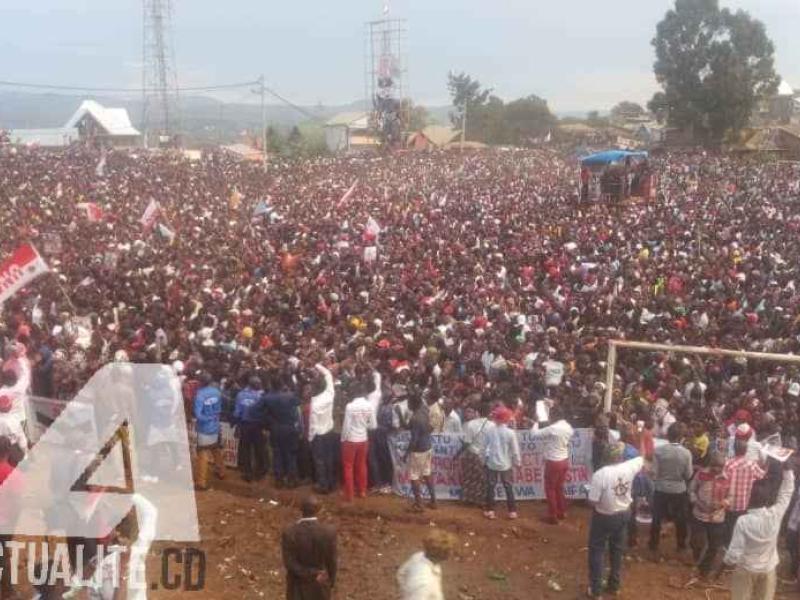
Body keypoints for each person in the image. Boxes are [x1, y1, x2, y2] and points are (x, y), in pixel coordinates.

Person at [723, 460, 795, 600]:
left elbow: (734, 553)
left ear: (750, 498)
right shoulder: (775, 514)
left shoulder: (743, 522)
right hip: (768, 568)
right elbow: (786, 492)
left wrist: (725, 563)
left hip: (746, 568)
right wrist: (788, 470)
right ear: (767, 500)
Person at [586, 441, 644, 599]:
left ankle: (596, 590)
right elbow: (642, 457)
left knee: (597, 551)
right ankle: (614, 586)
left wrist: (588, 494)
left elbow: (592, 501)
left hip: (603, 516)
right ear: (620, 457)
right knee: (617, 550)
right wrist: (642, 435)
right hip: (624, 514)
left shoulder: (600, 474)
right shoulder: (629, 467)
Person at [281, 495, 337, 600]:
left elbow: (289, 563)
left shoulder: (290, 532)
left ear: (301, 510)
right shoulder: (329, 532)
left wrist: (309, 574)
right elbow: (332, 561)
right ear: (318, 510)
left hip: (297, 585)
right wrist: (330, 581)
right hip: (320, 584)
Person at [649, 422, 693, 557]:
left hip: (661, 488)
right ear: (681, 437)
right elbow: (688, 474)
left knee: (656, 517)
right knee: (681, 519)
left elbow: (654, 472)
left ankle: (653, 544)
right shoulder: (686, 453)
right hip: (679, 489)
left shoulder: (659, 451)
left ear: (668, 436)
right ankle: (681, 545)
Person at [688, 452, 730, 581]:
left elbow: (732, 496)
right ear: (710, 464)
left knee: (714, 546)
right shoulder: (701, 474)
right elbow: (691, 490)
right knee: (696, 542)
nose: (717, 469)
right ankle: (697, 560)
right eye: (715, 466)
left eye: (720, 467)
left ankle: (703, 570)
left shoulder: (727, 477)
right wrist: (695, 501)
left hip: (717, 517)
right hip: (699, 515)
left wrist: (724, 503)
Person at [531, 404, 575, 524]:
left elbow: (534, 434)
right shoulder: (568, 426)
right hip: (564, 460)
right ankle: (562, 512)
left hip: (553, 461)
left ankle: (552, 515)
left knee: (550, 489)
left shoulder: (553, 428)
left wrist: (535, 422)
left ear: (555, 415)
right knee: (559, 488)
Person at [724, 436, 768, 545]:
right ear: (746, 450)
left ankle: (728, 544)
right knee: (740, 524)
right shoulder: (751, 464)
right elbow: (761, 475)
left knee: (729, 524)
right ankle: (738, 543)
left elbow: (723, 481)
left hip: (728, 501)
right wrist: (766, 467)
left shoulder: (728, 464)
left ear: (734, 450)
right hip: (744, 502)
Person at [340, 374, 377, 501]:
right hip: (363, 439)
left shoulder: (350, 406)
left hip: (350, 439)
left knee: (348, 466)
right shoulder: (369, 405)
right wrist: (363, 425)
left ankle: (350, 495)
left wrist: (343, 439)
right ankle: (362, 491)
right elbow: (373, 425)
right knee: (362, 465)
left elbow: (346, 426)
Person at [264, 374, 302, 489]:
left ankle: (279, 480)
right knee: (290, 455)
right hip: (289, 429)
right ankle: (291, 480)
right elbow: (297, 411)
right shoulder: (290, 397)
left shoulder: (268, 398)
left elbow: (266, 415)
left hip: (276, 429)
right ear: (282, 385)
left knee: (277, 454)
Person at [483, 405, 520, 520]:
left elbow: (484, 448)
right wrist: (518, 462)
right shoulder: (510, 433)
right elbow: (515, 450)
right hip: (506, 464)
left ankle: (490, 511)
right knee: (508, 487)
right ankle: (512, 511)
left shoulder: (489, 431)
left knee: (490, 487)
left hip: (492, 463)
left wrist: (483, 460)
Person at [397, 529, 457, 600]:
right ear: (442, 554)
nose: (452, 553)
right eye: (449, 550)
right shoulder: (425, 583)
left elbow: (401, 574)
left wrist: (406, 591)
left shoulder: (418, 557)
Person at [307, 363, 338, 495]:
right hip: (329, 431)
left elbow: (313, 425)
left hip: (318, 435)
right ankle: (331, 483)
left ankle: (323, 485)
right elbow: (328, 375)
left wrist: (309, 438)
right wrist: (317, 365)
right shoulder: (329, 394)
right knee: (329, 458)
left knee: (319, 460)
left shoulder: (315, 404)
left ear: (316, 389)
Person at [404, 390, 436, 511]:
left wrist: (406, 454)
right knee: (427, 473)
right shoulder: (423, 410)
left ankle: (419, 504)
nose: (407, 405)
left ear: (413, 404)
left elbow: (414, 440)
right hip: (428, 447)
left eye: (408, 402)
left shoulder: (415, 418)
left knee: (414, 477)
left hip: (418, 451)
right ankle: (433, 501)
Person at [193, 372, 224, 491]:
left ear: (200, 382)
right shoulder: (216, 392)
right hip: (215, 425)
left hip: (204, 427)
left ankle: (201, 482)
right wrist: (213, 418)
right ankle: (221, 472)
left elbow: (198, 414)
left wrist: (207, 418)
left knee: (203, 453)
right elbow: (219, 409)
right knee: (215, 449)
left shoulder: (200, 394)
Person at [457, 403, 493, 506]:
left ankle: (468, 499)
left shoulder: (470, 424)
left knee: (469, 478)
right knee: (483, 479)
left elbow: (467, 442)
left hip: (472, 453)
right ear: (489, 413)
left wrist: (457, 455)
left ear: (477, 412)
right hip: (486, 455)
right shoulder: (492, 425)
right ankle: (481, 500)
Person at [233, 375, 266, 482]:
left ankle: (247, 473)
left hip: (245, 425)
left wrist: (237, 424)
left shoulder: (240, 395)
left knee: (246, 449)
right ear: (253, 385)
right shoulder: (260, 396)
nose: (260, 385)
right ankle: (259, 472)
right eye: (258, 384)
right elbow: (264, 413)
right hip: (256, 425)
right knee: (258, 449)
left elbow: (237, 413)